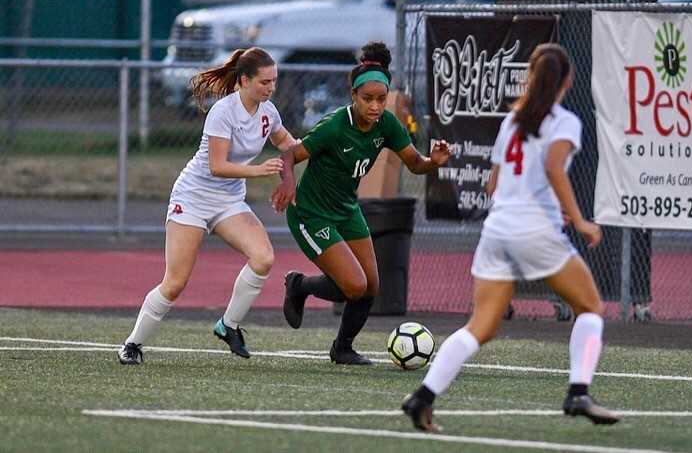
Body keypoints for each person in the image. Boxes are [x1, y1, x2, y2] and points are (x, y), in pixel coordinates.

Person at [401, 43, 620, 430]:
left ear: (530, 77)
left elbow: (492, 186)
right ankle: (578, 392)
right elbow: (554, 167)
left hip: (499, 228)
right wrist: (581, 220)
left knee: (480, 326)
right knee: (590, 308)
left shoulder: (512, 121)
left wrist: (551, 205)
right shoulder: (564, 121)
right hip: (533, 229)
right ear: (568, 79)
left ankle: (422, 397)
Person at [271, 41, 451, 365]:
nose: (375, 106)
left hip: (345, 210)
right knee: (353, 285)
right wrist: (287, 181)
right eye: (367, 99)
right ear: (353, 96)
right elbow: (289, 154)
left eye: (381, 99)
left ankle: (343, 348)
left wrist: (433, 161)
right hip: (311, 214)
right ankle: (298, 285)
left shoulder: (387, 125)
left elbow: (414, 163)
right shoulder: (335, 126)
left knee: (371, 286)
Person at [117, 47, 298, 365]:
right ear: (244, 80)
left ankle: (228, 325)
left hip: (228, 201)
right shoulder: (223, 111)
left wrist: (327, 144)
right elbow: (217, 166)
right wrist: (258, 171)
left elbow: (289, 145)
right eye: (265, 82)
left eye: (274, 81)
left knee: (263, 258)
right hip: (193, 198)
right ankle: (132, 344)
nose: (271, 88)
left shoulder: (269, 112)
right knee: (175, 283)